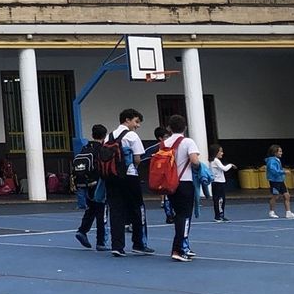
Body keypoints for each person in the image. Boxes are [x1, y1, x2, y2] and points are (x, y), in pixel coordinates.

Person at [107, 109, 154, 256]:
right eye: (136, 121)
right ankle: (139, 243)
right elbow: (138, 158)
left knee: (116, 210)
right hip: (129, 175)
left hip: (112, 176)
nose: (137, 125)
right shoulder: (132, 135)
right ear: (127, 120)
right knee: (137, 208)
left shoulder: (110, 136)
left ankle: (117, 245)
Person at [159, 114, 201, 262]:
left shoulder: (165, 143)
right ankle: (179, 249)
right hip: (184, 181)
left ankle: (184, 245)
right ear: (185, 127)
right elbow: (195, 161)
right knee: (185, 215)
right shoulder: (188, 141)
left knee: (179, 215)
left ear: (169, 128)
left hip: (170, 183)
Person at [74, 123, 108, 249]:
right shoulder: (101, 149)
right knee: (101, 211)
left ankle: (82, 230)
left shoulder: (85, 148)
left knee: (91, 209)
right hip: (98, 183)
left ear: (92, 135)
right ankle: (101, 241)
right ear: (104, 136)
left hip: (86, 183)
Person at [266, 144, 294, 219]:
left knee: (287, 195)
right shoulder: (271, 161)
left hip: (280, 180)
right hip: (274, 181)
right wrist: (283, 171)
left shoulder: (277, 160)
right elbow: (273, 170)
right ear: (275, 152)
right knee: (275, 196)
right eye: (280, 151)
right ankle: (271, 211)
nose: (281, 153)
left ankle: (288, 212)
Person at [207, 145, 236, 221]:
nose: (222, 153)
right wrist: (231, 165)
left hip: (216, 182)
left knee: (217, 199)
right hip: (218, 182)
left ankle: (219, 215)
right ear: (215, 152)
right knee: (220, 199)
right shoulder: (216, 160)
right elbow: (224, 169)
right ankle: (219, 215)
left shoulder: (211, 160)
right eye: (220, 151)